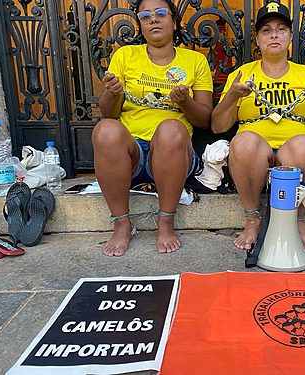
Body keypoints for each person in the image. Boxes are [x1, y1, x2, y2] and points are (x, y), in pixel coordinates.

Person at [211, 1, 305, 251]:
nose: (274, 35)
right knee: (244, 140)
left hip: (294, 152)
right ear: (257, 39)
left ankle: (298, 219)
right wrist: (233, 96)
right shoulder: (242, 75)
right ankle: (253, 218)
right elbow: (217, 126)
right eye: (267, 30)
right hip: (254, 153)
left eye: (281, 29)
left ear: (290, 35)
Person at [92, 0, 213, 256]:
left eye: (160, 14)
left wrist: (184, 101)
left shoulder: (195, 61)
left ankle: (166, 222)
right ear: (140, 24)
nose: (153, 20)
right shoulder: (125, 56)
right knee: (105, 129)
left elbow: (204, 119)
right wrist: (112, 94)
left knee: (170, 128)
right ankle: (122, 223)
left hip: (173, 155)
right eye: (145, 16)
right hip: (132, 155)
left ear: (174, 21)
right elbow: (108, 113)